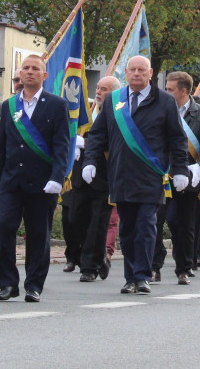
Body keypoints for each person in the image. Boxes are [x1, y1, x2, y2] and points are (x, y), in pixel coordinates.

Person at [83, 55, 190, 295]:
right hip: (120, 175)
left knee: (146, 225)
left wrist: (181, 170)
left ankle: (142, 275)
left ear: (150, 73)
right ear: (126, 73)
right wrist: (90, 161)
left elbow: (177, 139)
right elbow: (98, 135)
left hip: (150, 176)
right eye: (132, 70)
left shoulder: (164, 101)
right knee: (127, 229)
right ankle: (130, 277)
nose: (137, 74)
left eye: (142, 70)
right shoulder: (113, 101)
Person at [0, 54, 71, 303]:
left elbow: (61, 145)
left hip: (42, 183)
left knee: (38, 235)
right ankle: (7, 283)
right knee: (4, 229)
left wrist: (58, 177)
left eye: (35, 68)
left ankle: (33, 285)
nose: (30, 72)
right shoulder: (8, 106)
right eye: (25, 68)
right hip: (11, 182)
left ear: (44, 75)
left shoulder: (56, 105)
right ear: (20, 74)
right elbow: (2, 147)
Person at [151, 71, 200, 285]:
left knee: (183, 224)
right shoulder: (159, 110)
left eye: (170, 90)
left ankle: (184, 268)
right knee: (156, 222)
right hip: (162, 175)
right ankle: (154, 266)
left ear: (183, 91)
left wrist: (199, 167)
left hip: (188, 176)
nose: (166, 93)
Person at [70, 75, 120, 283]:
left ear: (114, 93)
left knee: (98, 223)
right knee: (75, 220)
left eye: (104, 89)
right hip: (81, 175)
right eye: (98, 88)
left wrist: (87, 142)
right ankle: (100, 258)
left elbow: (114, 140)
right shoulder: (87, 111)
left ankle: (89, 267)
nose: (99, 92)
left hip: (104, 175)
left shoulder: (119, 114)